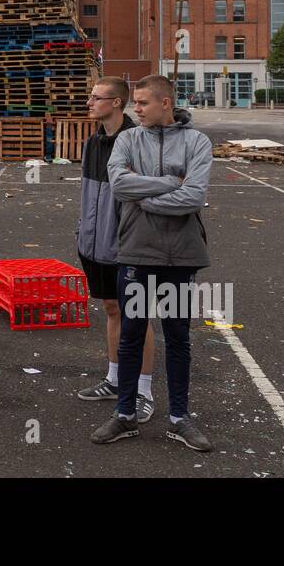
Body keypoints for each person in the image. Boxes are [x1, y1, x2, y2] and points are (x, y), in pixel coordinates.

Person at [91, 74, 214, 452]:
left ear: (165, 104)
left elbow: (194, 196)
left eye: (142, 103)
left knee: (178, 337)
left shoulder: (197, 141)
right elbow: (121, 185)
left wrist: (146, 194)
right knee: (131, 335)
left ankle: (180, 418)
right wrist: (168, 183)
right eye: (135, 103)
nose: (136, 109)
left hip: (180, 257)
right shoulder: (128, 139)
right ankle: (125, 413)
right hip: (137, 253)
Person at [75, 77, 157, 423]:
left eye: (97, 97)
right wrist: (85, 233)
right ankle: (114, 378)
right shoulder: (93, 142)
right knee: (112, 309)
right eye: (91, 97)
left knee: (137, 315)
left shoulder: (136, 142)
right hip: (95, 243)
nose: (90, 102)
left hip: (127, 244)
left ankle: (143, 389)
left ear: (117, 103)